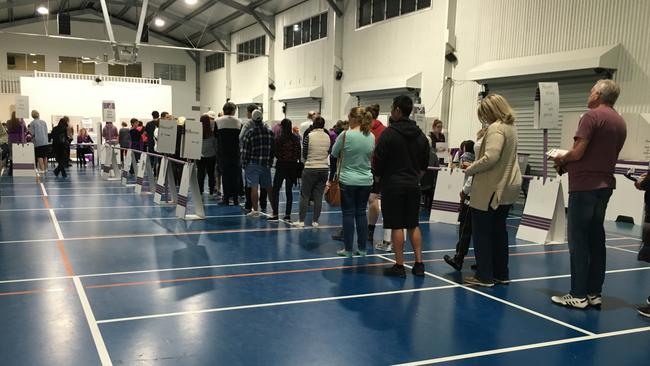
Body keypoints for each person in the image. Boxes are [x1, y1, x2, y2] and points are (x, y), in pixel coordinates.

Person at [551, 79, 627, 308]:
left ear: (599, 95)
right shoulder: (620, 121)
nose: (589, 92)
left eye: (592, 89)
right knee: (596, 239)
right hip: (605, 186)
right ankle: (594, 293)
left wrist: (561, 159)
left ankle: (578, 294)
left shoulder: (590, 117)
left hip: (584, 186)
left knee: (579, 240)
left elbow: (578, 153)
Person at [463, 94, 522, 287]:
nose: (484, 119)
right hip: (507, 186)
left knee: (482, 233)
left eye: (484, 114)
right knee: (499, 232)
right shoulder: (511, 128)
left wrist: (470, 168)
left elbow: (491, 157)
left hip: (490, 188)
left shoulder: (496, 128)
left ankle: (484, 276)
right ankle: (501, 273)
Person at [374, 96, 429, 277]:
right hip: (414, 185)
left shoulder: (388, 134)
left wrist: (379, 178)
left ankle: (399, 265)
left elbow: (379, 161)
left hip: (393, 185)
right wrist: (414, 177)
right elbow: (424, 165)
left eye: (392, 108)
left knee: (396, 225)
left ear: (398, 110)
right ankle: (419, 264)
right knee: (413, 224)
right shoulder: (421, 135)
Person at [332, 107, 375, 257]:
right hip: (366, 180)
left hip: (347, 180)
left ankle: (348, 249)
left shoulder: (345, 135)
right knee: (361, 214)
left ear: (353, 119)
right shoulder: (371, 136)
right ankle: (362, 249)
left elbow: (334, 153)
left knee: (348, 214)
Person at [444, 139, 478, 271]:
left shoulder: (476, 161)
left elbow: (471, 179)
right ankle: (482, 261)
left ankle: (458, 258)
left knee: (465, 231)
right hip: (482, 199)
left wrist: (463, 193)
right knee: (480, 233)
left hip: (470, 199)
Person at [293, 116, 331, 228]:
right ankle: (315, 221)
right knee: (318, 196)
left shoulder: (309, 136)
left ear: (314, 124)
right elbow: (328, 151)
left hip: (310, 168)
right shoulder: (328, 137)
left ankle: (301, 221)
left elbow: (304, 153)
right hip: (324, 168)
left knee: (305, 195)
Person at [241, 110, 275, 217]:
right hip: (266, 164)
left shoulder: (250, 133)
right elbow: (273, 150)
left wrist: (244, 164)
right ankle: (275, 210)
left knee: (254, 187)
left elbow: (245, 151)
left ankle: (255, 211)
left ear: (253, 120)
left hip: (253, 164)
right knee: (269, 187)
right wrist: (270, 162)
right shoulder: (270, 133)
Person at [270, 119, 301, 221]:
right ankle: (287, 214)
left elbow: (275, 152)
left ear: (282, 127)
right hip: (292, 167)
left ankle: (275, 213)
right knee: (289, 191)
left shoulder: (278, 139)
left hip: (281, 166)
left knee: (276, 190)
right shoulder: (295, 139)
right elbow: (298, 153)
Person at [215, 102, 242, 205]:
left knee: (225, 176)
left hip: (223, 153)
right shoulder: (239, 121)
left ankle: (226, 198)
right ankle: (235, 199)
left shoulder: (218, 121)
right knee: (235, 177)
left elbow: (216, 135)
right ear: (233, 110)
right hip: (235, 152)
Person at [366, 104, 386, 246]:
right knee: (374, 200)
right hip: (378, 170)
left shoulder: (362, 130)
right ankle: (370, 231)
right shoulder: (384, 130)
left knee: (355, 202)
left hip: (363, 169)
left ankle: (347, 230)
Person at [197, 115, 218, 196]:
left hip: (200, 156)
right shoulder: (212, 133)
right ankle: (211, 190)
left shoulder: (198, 133)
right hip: (211, 156)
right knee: (211, 173)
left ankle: (200, 190)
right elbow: (215, 145)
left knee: (200, 173)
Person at [6, 111, 27, 175]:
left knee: (12, 155)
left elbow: (8, 129)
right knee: (19, 155)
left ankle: (11, 170)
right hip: (19, 139)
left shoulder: (8, 122)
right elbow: (25, 130)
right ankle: (19, 170)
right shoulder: (21, 122)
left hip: (11, 139)